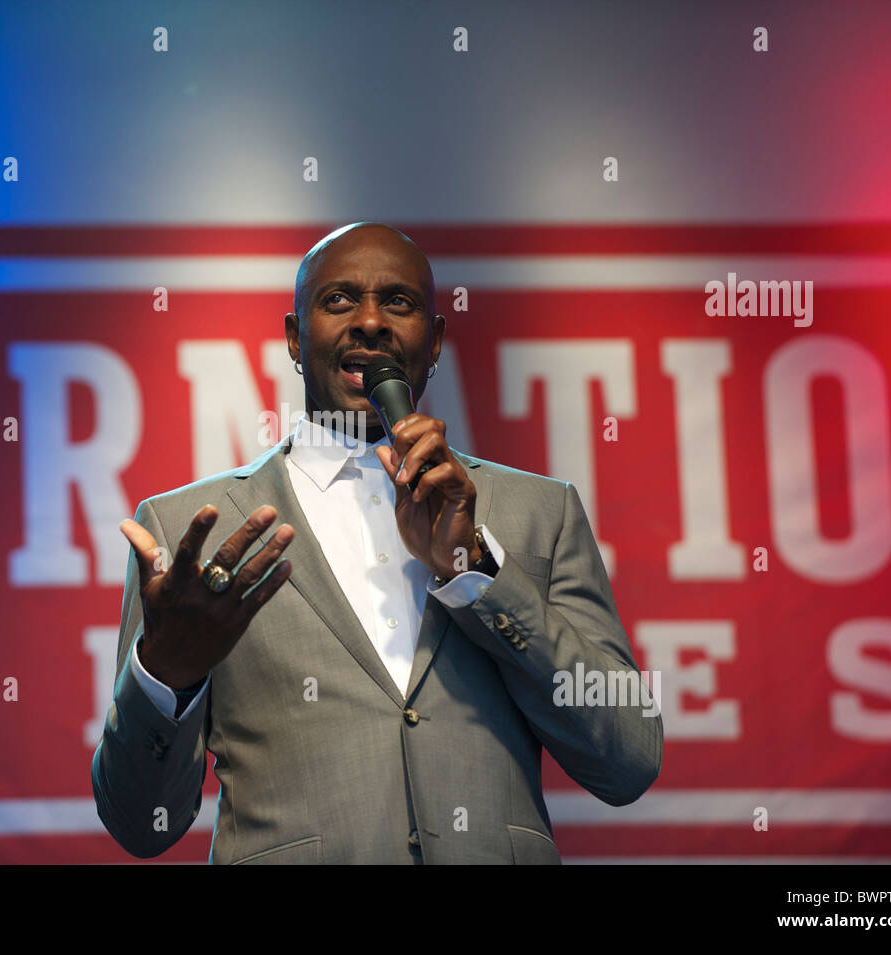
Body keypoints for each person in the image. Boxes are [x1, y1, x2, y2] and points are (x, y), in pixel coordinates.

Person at [91, 222, 662, 864]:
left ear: (436, 339)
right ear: (293, 339)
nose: (370, 322)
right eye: (339, 300)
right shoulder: (190, 528)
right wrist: (167, 674)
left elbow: (628, 758)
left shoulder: (538, 511)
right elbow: (143, 824)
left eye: (399, 301)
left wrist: (475, 572)